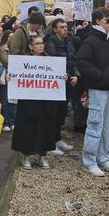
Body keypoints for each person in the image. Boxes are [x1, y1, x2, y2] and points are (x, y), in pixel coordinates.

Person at [75, 8, 109, 177]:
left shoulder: (107, 39)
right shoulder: (90, 41)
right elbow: (81, 61)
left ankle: (103, 157)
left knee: (108, 126)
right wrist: (100, 76)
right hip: (98, 89)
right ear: (97, 21)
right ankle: (89, 161)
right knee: (95, 125)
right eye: (107, 21)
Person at [12, 35, 63, 169]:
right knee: (28, 128)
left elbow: (56, 76)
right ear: (30, 46)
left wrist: (62, 76)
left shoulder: (50, 61)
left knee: (44, 127)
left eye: (42, 43)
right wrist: (10, 77)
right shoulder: (23, 62)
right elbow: (15, 76)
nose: (41, 46)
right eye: (37, 43)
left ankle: (42, 155)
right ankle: (27, 156)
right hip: (28, 102)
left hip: (45, 102)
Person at [45, 17, 77, 157]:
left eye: (66, 26)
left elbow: (72, 59)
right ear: (55, 29)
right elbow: (54, 62)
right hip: (56, 84)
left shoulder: (68, 41)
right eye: (62, 27)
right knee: (53, 113)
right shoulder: (51, 42)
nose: (65, 29)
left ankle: (57, 139)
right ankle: (50, 142)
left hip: (67, 82)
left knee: (61, 113)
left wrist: (75, 74)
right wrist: (64, 73)